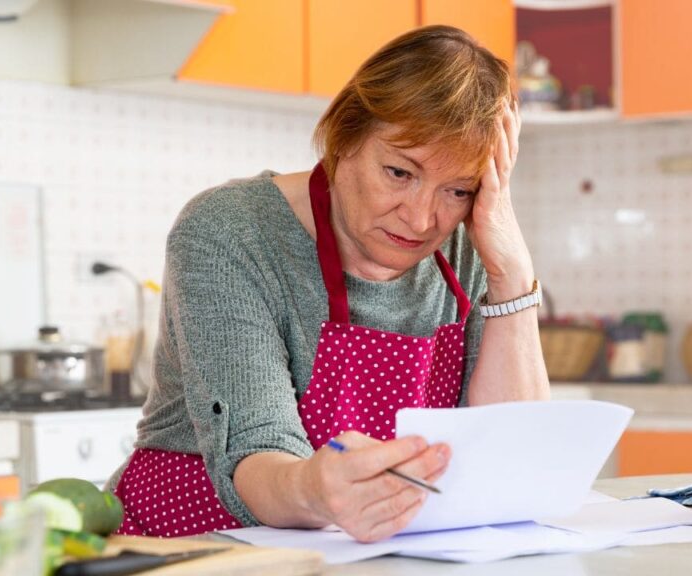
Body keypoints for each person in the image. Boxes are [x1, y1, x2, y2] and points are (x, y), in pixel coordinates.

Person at [108, 24, 550, 543]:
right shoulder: (231, 231)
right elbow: (256, 449)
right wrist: (318, 490)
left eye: (457, 190)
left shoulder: (467, 247)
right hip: (194, 544)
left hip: (361, 549)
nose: (421, 217)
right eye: (399, 173)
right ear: (345, 139)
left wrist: (512, 273)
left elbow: (516, 455)